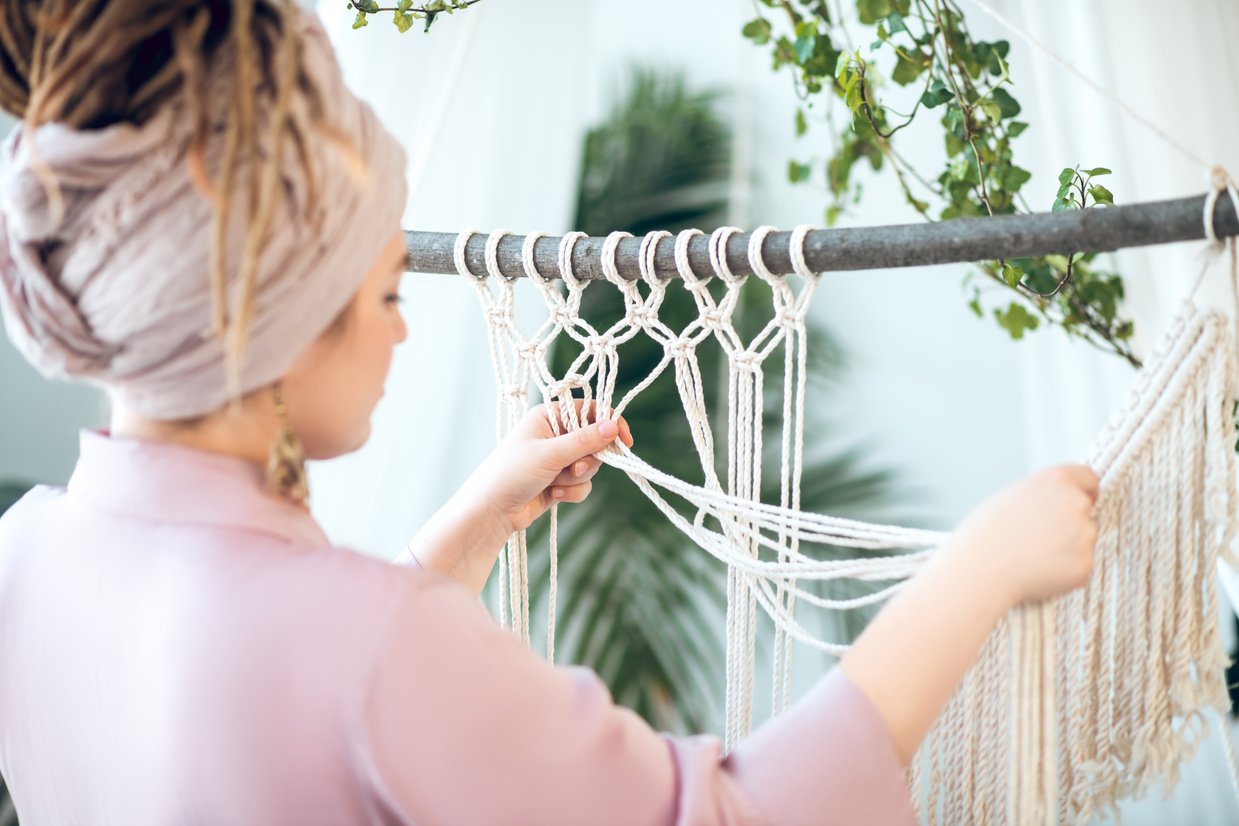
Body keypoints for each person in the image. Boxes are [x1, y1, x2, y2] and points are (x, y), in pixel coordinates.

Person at [0, 2, 1099, 823]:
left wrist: (471, 525)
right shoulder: (378, 645)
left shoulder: (24, 559)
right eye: (385, 293)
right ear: (276, 326)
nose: (403, 331)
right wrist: (979, 569)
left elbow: (304, 733)